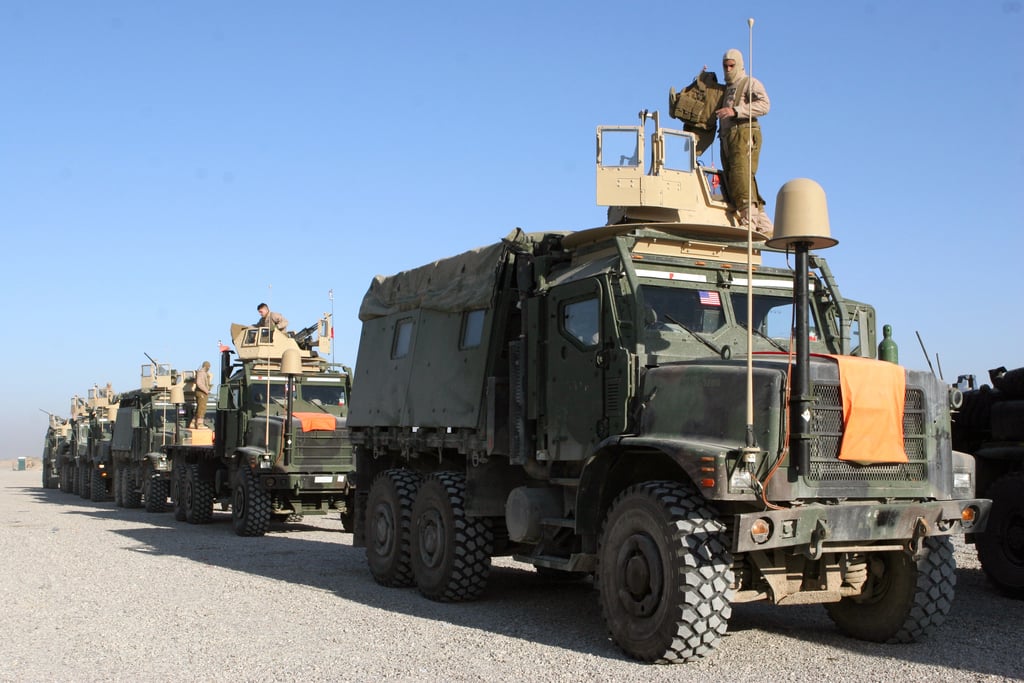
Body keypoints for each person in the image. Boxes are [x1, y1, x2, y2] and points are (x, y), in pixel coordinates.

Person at [715, 48, 772, 235]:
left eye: (732, 65)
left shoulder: (749, 83)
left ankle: (750, 220)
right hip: (727, 137)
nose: (728, 69)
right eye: (725, 66)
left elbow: (765, 105)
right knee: (734, 178)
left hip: (743, 134)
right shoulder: (726, 89)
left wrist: (736, 111)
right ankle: (764, 223)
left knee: (741, 175)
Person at [191, 361, 212, 428]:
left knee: (199, 408)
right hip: (201, 392)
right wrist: (206, 390)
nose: (209, 368)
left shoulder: (202, 373)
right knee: (202, 408)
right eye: (208, 367)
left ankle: (193, 422)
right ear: (206, 366)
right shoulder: (201, 373)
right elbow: (199, 383)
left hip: (201, 392)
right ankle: (200, 424)